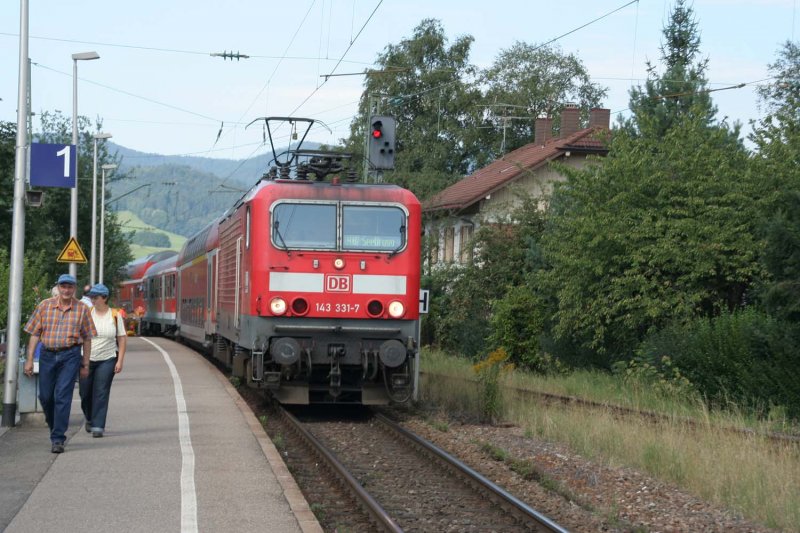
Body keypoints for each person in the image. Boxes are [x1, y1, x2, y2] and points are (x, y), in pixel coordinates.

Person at [23, 274, 96, 454]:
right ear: (58, 287)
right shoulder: (44, 306)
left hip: (70, 355)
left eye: (70, 287)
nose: (66, 290)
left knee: (63, 395)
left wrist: (85, 364)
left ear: (74, 289)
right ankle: (54, 424)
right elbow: (34, 333)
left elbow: (87, 338)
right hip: (47, 355)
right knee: (45, 396)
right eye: (63, 286)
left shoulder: (82, 309)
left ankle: (58, 438)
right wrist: (29, 360)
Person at [79, 283, 126, 438]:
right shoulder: (87, 313)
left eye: (95, 297)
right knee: (85, 393)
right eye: (91, 297)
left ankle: (98, 425)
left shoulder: (115, 315)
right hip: (87, 359)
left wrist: (120, 361)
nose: (92, 300)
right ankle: (89, 417)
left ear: (104, 298)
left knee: (101, 392)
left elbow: (121, 338)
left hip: (108, 358)